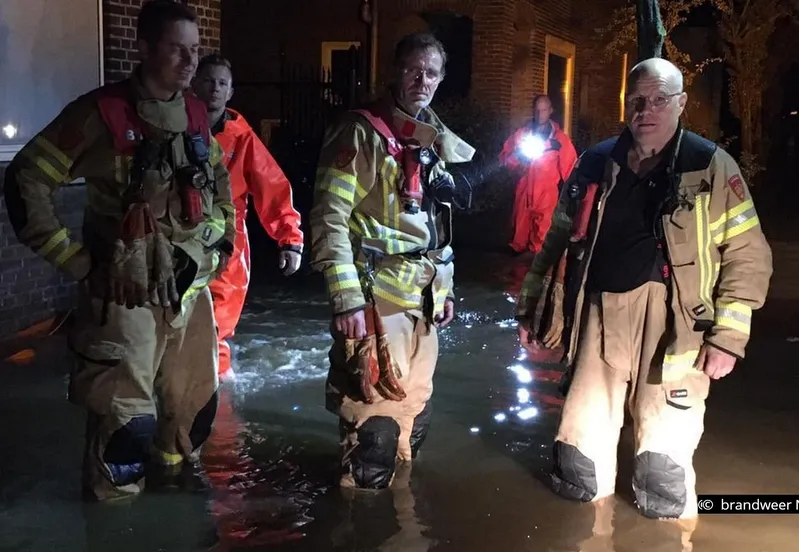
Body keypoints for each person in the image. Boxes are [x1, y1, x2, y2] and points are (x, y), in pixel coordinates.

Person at [515, 58, 773, 519]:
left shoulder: (710, 166)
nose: (646, 110)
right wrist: (532, 304)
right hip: (597, 318)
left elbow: (747, 254)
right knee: (578, 466)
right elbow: (556, 238)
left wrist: (729, 338)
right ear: (624, 104)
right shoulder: (596, 162)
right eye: (636, 100)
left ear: (681, 104)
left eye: (659, 100)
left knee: (663, 475)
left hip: (675, 329)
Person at [3, 0, 235, 501]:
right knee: (126, 430)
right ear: (145, 47)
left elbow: (220, 191)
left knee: (190, 415)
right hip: (125, 296)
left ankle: (173, 510)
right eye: (177, 49)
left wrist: (218, 246)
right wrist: (79, 264)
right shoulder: (99, 114)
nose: (190, 62)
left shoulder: (196, 115)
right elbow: (26, 179)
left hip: (190, 295)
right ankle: (116, 519)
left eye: (195, 51)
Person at [309, 32, 475, 489]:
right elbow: (329, 217)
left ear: (441, 80)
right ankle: (360, 523)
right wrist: (346, 299)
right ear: (394, 72)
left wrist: (444, 291)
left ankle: (400, 522)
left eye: (433, 72)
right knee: (373, 432)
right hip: (375, 298)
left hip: (424, 301)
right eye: (413, 69)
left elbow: (437, 228)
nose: (423, 79)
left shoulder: (432, 138)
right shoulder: (360, 131)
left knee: (413, 421)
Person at [191, 54, 304, 382]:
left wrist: (290, 239)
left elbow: (273, 187)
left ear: (230, 92)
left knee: (218, 324)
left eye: (222, 83)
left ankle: (219, 398)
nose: (215, 88)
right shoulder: (174, 126)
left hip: (227, 238)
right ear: (195, 84)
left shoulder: (241, 137)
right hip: (179, 229)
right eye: (209, 80)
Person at [500, 95, 578, 255]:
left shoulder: (559, 140)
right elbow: (504, 159)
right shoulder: (522, 134)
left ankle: (537, 273)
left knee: (542, 243)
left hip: (546, 196)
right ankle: (516, 275)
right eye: (536, 110)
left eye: (543, 110)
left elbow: (571, 169)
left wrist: (575, 192)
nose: (539, 114)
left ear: (550, 111)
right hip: (524, 192)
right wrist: (517, 156)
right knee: (518, 239)